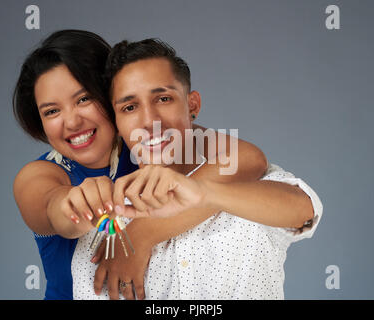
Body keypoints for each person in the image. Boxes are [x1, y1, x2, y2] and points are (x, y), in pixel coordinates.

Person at [12, 30, 268, 300]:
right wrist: (77, 206)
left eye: (84, 99)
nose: (72, 122)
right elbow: (57, 211)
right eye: (52, 111)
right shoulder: (37, 176)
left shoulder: (148, 144)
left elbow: (248, 159)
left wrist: (141, 234)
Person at [71, 39, 323, 300]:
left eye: (164, 98)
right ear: (117, 122)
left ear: (192, 105)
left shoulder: (245, 186)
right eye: (130, 107)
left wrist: (203, 192)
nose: (150, 121)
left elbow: (304, 210)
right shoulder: (105, 228)